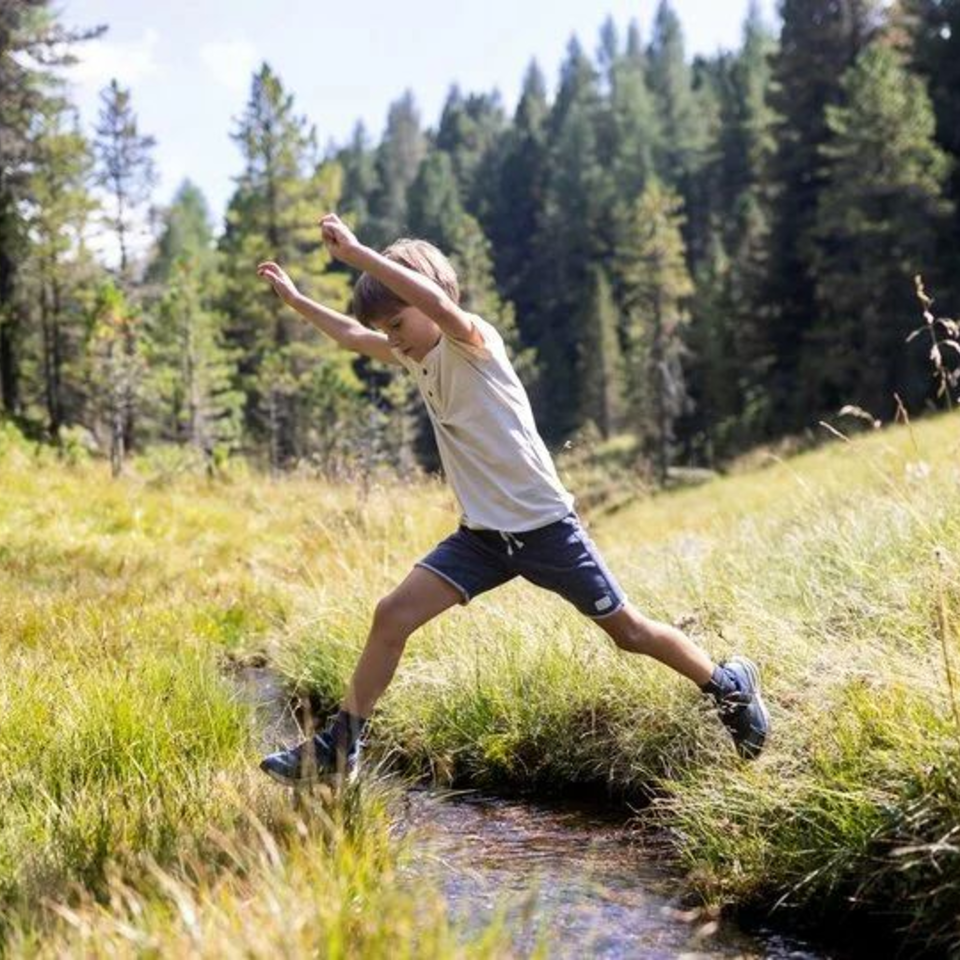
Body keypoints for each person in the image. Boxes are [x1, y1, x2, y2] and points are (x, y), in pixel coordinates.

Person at [256, 213, 769, 784]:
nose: (392, 336)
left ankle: (728, 688)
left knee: (629, 633)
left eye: (398, 321)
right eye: (388, 328)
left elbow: (441, 309)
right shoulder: (413, 354)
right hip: (482, 538)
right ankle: (338, 748)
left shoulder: (473, 341)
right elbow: (353, 336)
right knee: (391, 614)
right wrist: (297, 299)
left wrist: (360, 255)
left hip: (546, 528)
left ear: (430, 299)